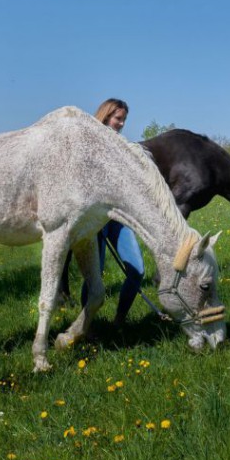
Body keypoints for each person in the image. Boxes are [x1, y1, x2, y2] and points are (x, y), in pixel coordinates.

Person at [88, 98, 146, 326]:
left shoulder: (121, 146)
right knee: (95, 275)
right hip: (95, 220)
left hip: (119, 218)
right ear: (106, 116)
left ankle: (119, 320)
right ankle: (87, 325)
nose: (121, 124)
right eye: (118, 118)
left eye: (124, 120)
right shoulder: (90, 143)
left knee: (137, 270)